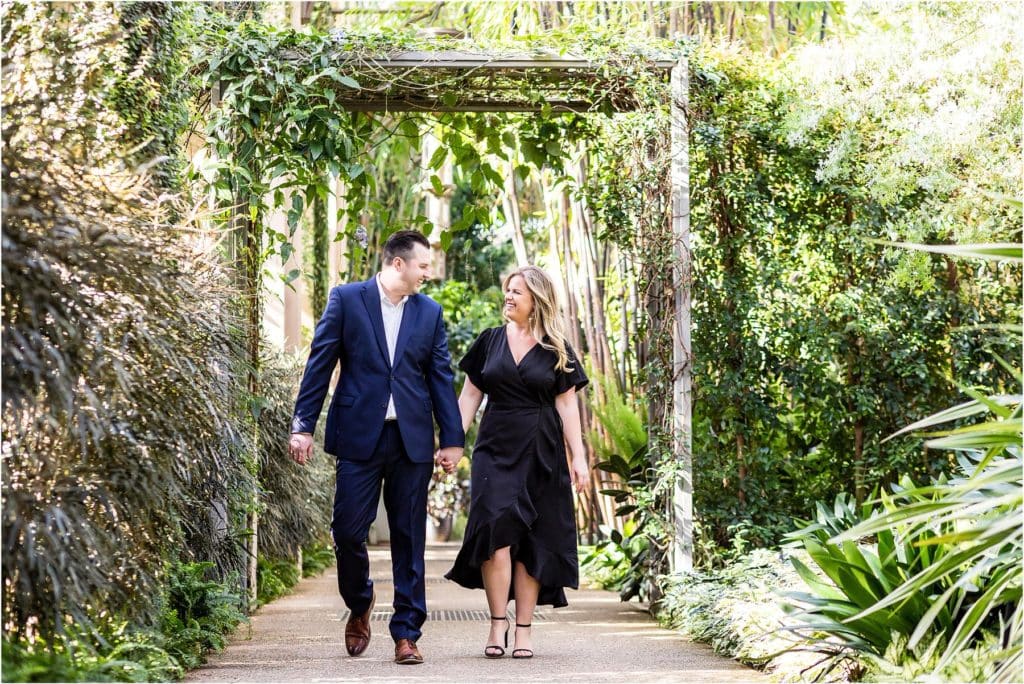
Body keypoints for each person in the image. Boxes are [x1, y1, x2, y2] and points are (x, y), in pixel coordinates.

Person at [288, 230, 464, 666]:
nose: (428, 273)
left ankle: (406, 633)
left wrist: (453, 440)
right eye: (423, 265)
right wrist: (303, 426)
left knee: (409, 537)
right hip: (359, 435)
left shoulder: (429, 312)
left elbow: (440, 378)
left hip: (411, 440)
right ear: (398, 264)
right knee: (347, 531)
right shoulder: (347, 300)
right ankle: (360, 600)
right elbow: (320, 362)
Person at [439, 265, 590, 660]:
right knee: (494, 535)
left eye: (516, 292)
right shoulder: (489, 341)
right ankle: (496, 623)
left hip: (542, 450)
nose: (508, 297)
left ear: (535, 300)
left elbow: (567, 404)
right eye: (507, 290)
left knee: (532, 542)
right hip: (495, 447)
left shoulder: (557, 348)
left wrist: (579, 458)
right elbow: (470, 396)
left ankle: (523, 631)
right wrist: (453, 442)